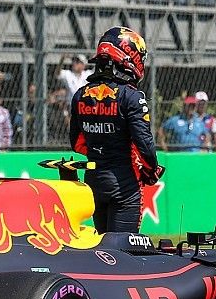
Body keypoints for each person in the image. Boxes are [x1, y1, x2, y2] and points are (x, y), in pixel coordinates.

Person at [69, 26, 163, 233]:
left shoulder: (80, 95)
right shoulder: (132, 97)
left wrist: (101, 148)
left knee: (104, 254)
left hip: (94, 182)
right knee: (123, 255)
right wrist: (151, 169)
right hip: (124, 185)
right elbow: (145, 147)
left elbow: (76, 142)